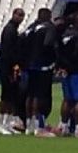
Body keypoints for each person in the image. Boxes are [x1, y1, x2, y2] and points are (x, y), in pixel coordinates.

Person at [24, 8, 58, 137]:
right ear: (49, 16)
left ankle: (29, 125)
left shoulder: (31, 27)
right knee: (41, 96)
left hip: (30, 65)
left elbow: (22, 42)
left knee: (31, 95)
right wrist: (52, 60)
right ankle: (40, 127)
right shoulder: (49, 27)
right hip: (43, 66)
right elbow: (48, 43)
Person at [0, 8, 25, 135]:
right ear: (13, 15)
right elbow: (8, 52)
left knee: (11, 95)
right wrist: (10, 70)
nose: (21, 18)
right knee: (6, 96)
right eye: (19, 15)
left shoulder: (13, 29)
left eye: (22, 16)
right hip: (7, 67)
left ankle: (6, 123)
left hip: (11, 67)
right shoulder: (9, 30)